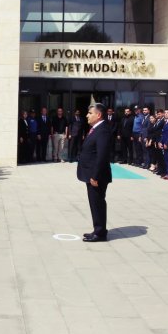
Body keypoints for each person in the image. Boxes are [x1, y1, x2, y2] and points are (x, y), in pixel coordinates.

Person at [77, 103, 113, 243]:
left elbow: (102, 155)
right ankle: (98, 229)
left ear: (98, 115)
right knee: (94, 203)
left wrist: (95, 176)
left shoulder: (102, 130)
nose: (87, 115)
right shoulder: (96, 128)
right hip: (91, 174)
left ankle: (100, 233)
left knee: (97, 202)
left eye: (90, 113)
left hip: (96, 176)